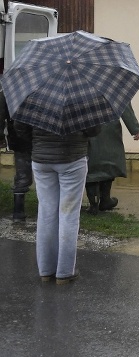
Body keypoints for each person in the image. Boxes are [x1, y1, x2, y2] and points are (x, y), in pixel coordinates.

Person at [14, 120, 101, 284]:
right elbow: (94, 129)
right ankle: (65, 272)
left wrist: (37, 140)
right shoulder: (80, 97)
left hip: (41, 158)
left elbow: (20, 127)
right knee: (68, 214)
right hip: (73, 158)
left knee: (46, 212)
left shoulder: (33, 95)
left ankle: (46, 271)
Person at [85, 103, 139, 214]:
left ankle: (93, 204)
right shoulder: (112, 86)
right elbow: (124, 104)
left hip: (88, 127)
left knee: (91, 166)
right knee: (109, 162)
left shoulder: (81, 87)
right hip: (109, 127)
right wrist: (134, 128)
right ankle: (105, 200)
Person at [0, 88, 33, 222]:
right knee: (48, 176)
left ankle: (18, 211)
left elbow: (1, 115)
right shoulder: (41, 89)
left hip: (19, 138)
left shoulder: (8, 91)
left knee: (22, 174)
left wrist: (1, 136)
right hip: (42, 138)